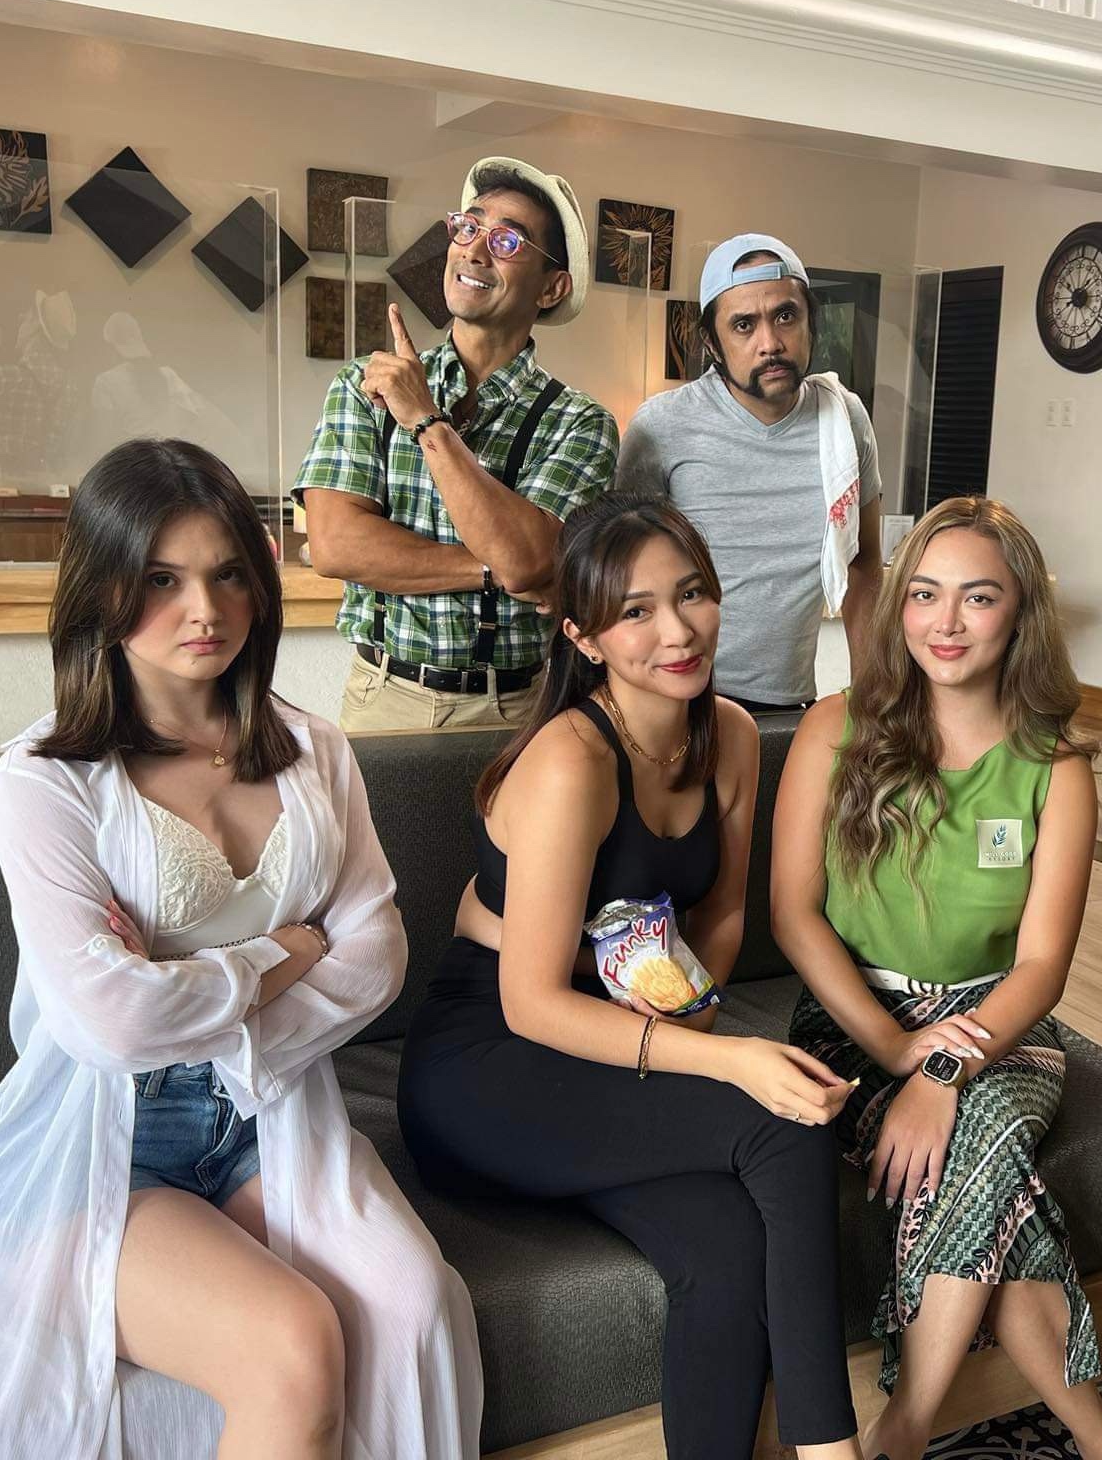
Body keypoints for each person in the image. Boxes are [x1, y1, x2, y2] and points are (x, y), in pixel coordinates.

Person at [0, 439, 482, 1458]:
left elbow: (377, 955)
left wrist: (181, 980)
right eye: (161, 580)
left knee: (415, 1306)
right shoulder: (44, 780)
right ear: (104, 589)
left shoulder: (315, 752)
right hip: (101, 1143)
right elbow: (111, 1023)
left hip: (273, 1115)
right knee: (291, 1342)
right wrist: (279, 955)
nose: (203, 610)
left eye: (226, 575)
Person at [397, 491, 863, 1460]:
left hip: (622, 1041)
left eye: (691, 593)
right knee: (787, 1123)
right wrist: (727, 1061)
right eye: (635, 611)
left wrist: (698, 1024)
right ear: (583, 635)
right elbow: (532, 1002)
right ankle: (832, 1452)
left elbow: (720, 918)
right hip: (492, 1063)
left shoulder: (730, 736)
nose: (677, 631)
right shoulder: (573, 760)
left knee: (726, 1250)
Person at [771, 496, 1102, 1460]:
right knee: (994, 1172)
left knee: (984, 1125)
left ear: (1021, 613)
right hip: (852, 1016)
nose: (947, 622)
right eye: (924, 594)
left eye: (979, 597)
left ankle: (906, 1428)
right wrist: (895, 1049)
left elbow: (1044, 966)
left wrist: (940, 1072)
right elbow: (794, 916)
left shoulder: (1056, 766)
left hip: (995, 1022)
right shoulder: (835, 727)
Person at [297, 155, 618, 734]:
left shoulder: (579, 422)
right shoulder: (366, 383)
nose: (473, 251)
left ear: (552, 287)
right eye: (468, 228)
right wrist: (498, 570)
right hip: (382, 697)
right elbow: (336, 547)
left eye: (507, 241)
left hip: (514, 710)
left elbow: (528, 557)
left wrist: (426, 421)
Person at [618, 232, 883, 714]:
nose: (770, 343)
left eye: (786, 316)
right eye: (743, 325)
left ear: (810, 322)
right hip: (680, 698)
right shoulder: (662, 426)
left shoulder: (844, 419)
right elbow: (620, 577)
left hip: (788, 701)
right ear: (712, 343)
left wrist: (870, 698)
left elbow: (863, 565)